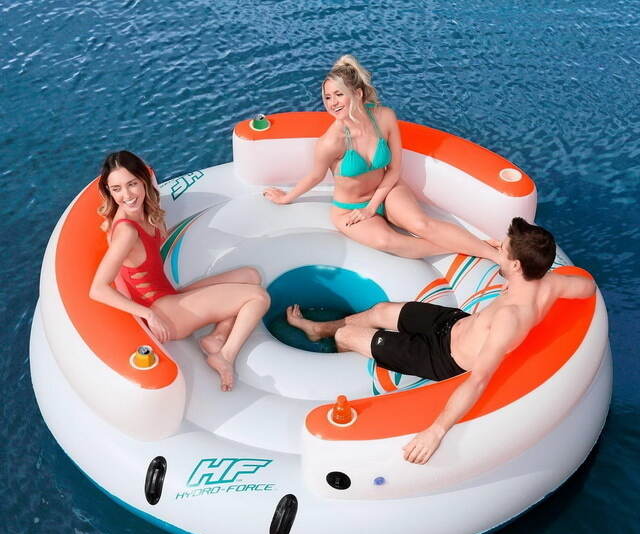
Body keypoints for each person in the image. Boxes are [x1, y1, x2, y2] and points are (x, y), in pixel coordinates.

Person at [286, 217, 596, 464]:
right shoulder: (550, 282)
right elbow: (588, 287)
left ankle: (338, 348)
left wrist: (436, 431)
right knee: (380, 310)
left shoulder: (509, 319)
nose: (496, 249)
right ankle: (319, 329)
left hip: (441, 358)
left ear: (516, 265)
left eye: (502, 249)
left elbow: (479, 380)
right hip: (454, 323)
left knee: (346, 335)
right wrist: (518, 285)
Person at [263, 54, 497, 261]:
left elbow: (394, 169)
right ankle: (475, 247)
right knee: (387, 241)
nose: (332, 103)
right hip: (349, 208)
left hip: (388, 190)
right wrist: (286, 198)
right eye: (327, 97)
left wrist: (373, 206)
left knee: (420, 224)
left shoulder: (384, 118)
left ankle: (496, 256)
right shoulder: (330, 142)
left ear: (357, 94)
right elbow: (315, 176)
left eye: (338, 95)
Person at [89, 150, 270, 392]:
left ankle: (217, 336)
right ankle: (224, 356)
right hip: (164, 312)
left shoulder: (145, 212)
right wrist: (149, 315)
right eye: (117, 189)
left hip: (168, 294)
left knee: (250, 275)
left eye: (131, 184)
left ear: (143, 181)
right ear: (109, 192)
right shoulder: (127, 232)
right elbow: (97, 289)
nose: (127, 195)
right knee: (258, 297)